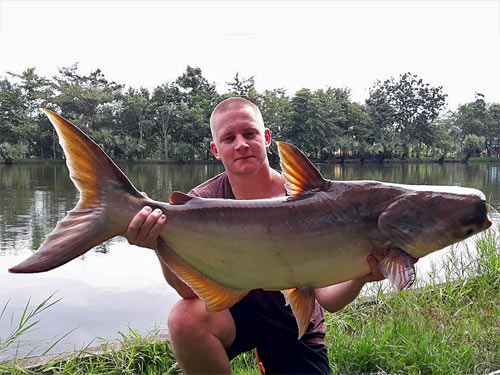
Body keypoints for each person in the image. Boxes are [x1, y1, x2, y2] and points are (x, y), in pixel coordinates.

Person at [123, 97, 386, 374]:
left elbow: (329, 300)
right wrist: (160, 244)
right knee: (184, 318)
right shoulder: (202, 204)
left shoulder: (309, 199)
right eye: (228, 138)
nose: (241, 144)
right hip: (234, 314)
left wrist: (362, 275)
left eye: (249, 134)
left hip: (293, 322)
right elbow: (188, 291)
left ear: (266, 137)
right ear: (215, 149)